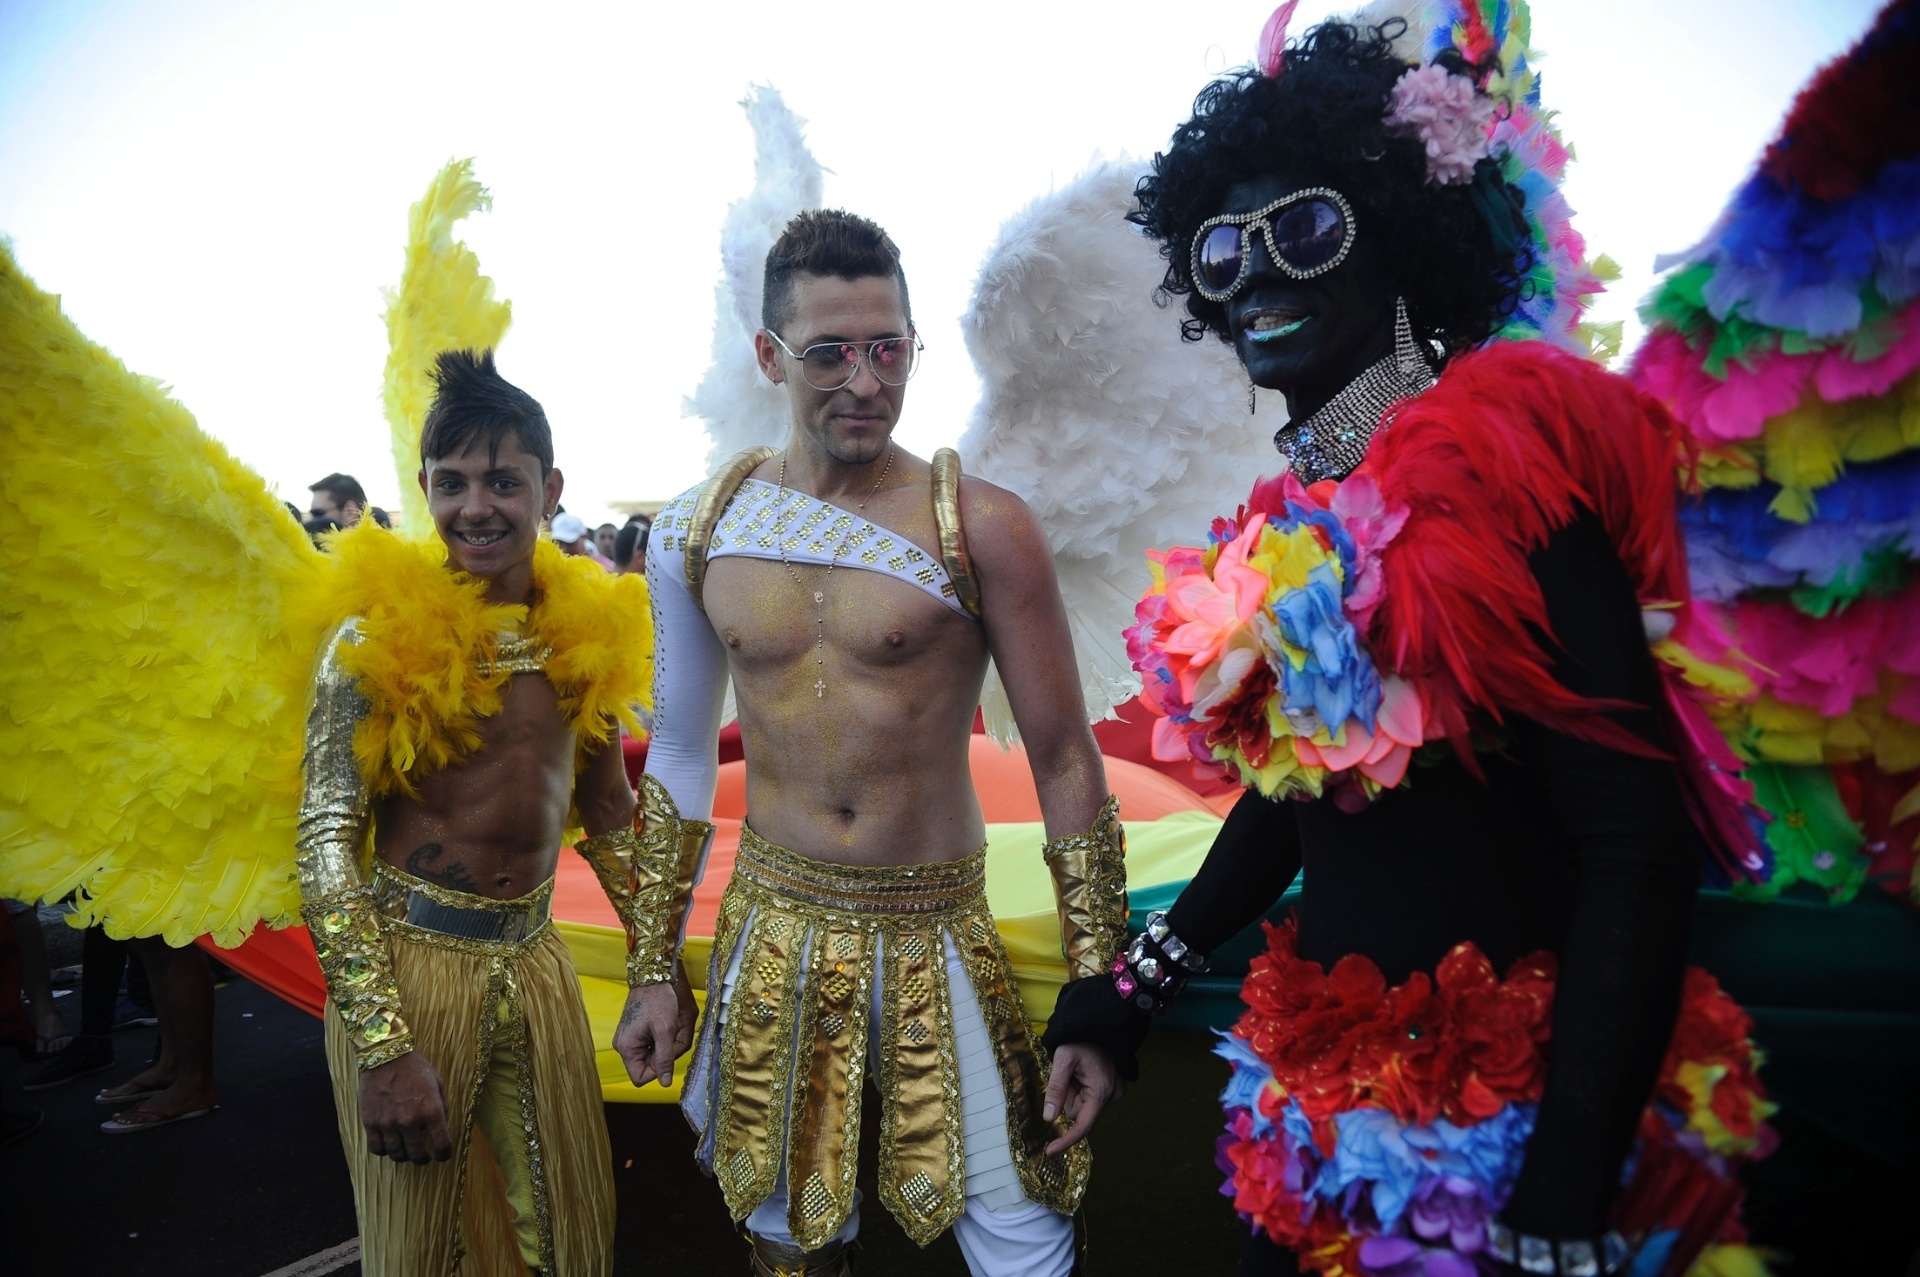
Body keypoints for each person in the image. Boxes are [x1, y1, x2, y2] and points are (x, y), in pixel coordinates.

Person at [1046, 10, 1774, 1276]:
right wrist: (1136, 982)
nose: (1258, 274)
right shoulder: (1295, 523)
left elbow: (1633, 839)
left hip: (1506, 1129)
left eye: (1305, 228)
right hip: (1330, 1110)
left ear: (1403, 238)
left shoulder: (1505, 464)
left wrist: (1564, 1182)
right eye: (1222, 251)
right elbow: (1301, 793)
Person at [625, 209, 1129, 1277]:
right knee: (785, 1246)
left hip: (937, 928)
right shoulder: (697, 527)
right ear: (770, 355)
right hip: (770, 927)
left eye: (889, 346)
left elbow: (1065, 760)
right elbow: (675, 755)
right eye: (830, 352)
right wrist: (653, 963)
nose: (866, 379)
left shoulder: (982, 523)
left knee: (1026, 1248)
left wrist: (1099, 992)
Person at [296, 349, 654, 1275]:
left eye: (503, 479)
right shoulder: (370, 642)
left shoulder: (583, 630)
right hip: (409, 974)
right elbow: (326, 843)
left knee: (573, 1235)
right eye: (451, 483)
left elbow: (609, 810)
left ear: (550, 486)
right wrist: (381, 1044)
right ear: (423, 489)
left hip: (536, 964)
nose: (477, 506)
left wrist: (659, 966)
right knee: (421, 1249)